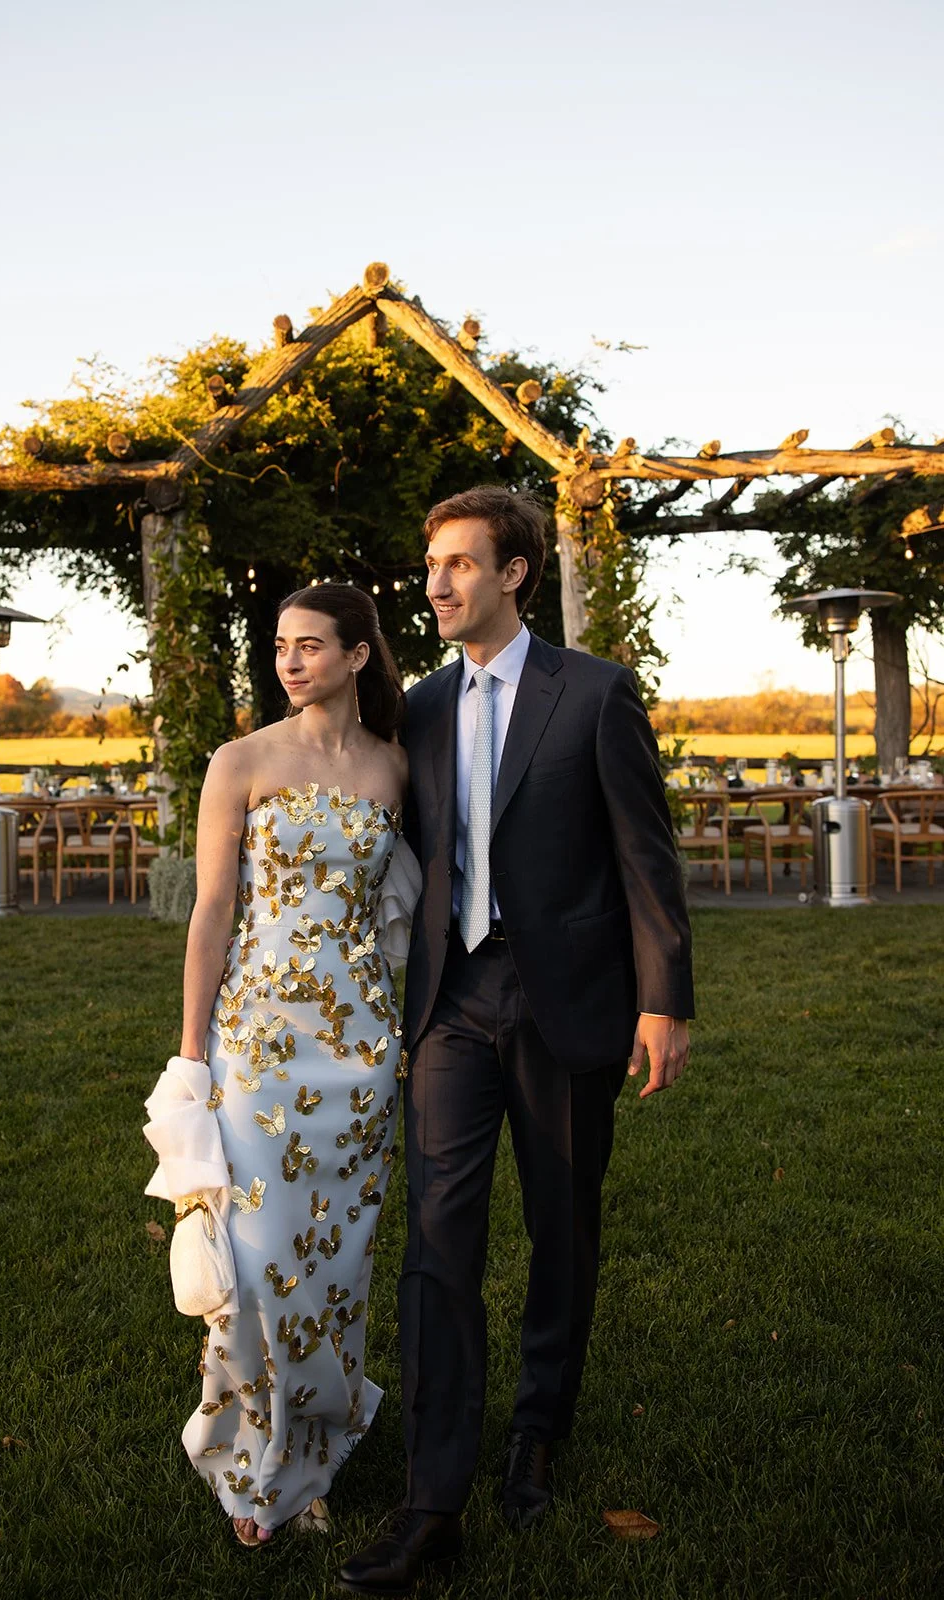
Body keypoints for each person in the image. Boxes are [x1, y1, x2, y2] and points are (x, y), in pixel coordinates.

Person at [338, 487, 693, 1595]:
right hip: (451, 1002)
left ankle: (538, 1429)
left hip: (568, 1000)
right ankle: (431, 1497)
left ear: (514, 573)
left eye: (458, 563)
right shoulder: (422, 707)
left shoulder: (594, 693)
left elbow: (645, 856)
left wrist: (663, 999)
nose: (436, 584)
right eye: (430, 564)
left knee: (560, 1229)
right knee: (436, 1242)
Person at [172, 583, 409, 1548]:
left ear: (356, 655)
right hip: (258, 1045)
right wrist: (192, 1054)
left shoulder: (395, 766)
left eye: (310, 645)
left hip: (362, 1047)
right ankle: (249, 1455)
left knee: (338, 1261)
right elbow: (212, 912)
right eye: (280, 646)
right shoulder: (240, 760)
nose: (290, 661)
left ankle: (313, 1450)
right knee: (261, 1257)